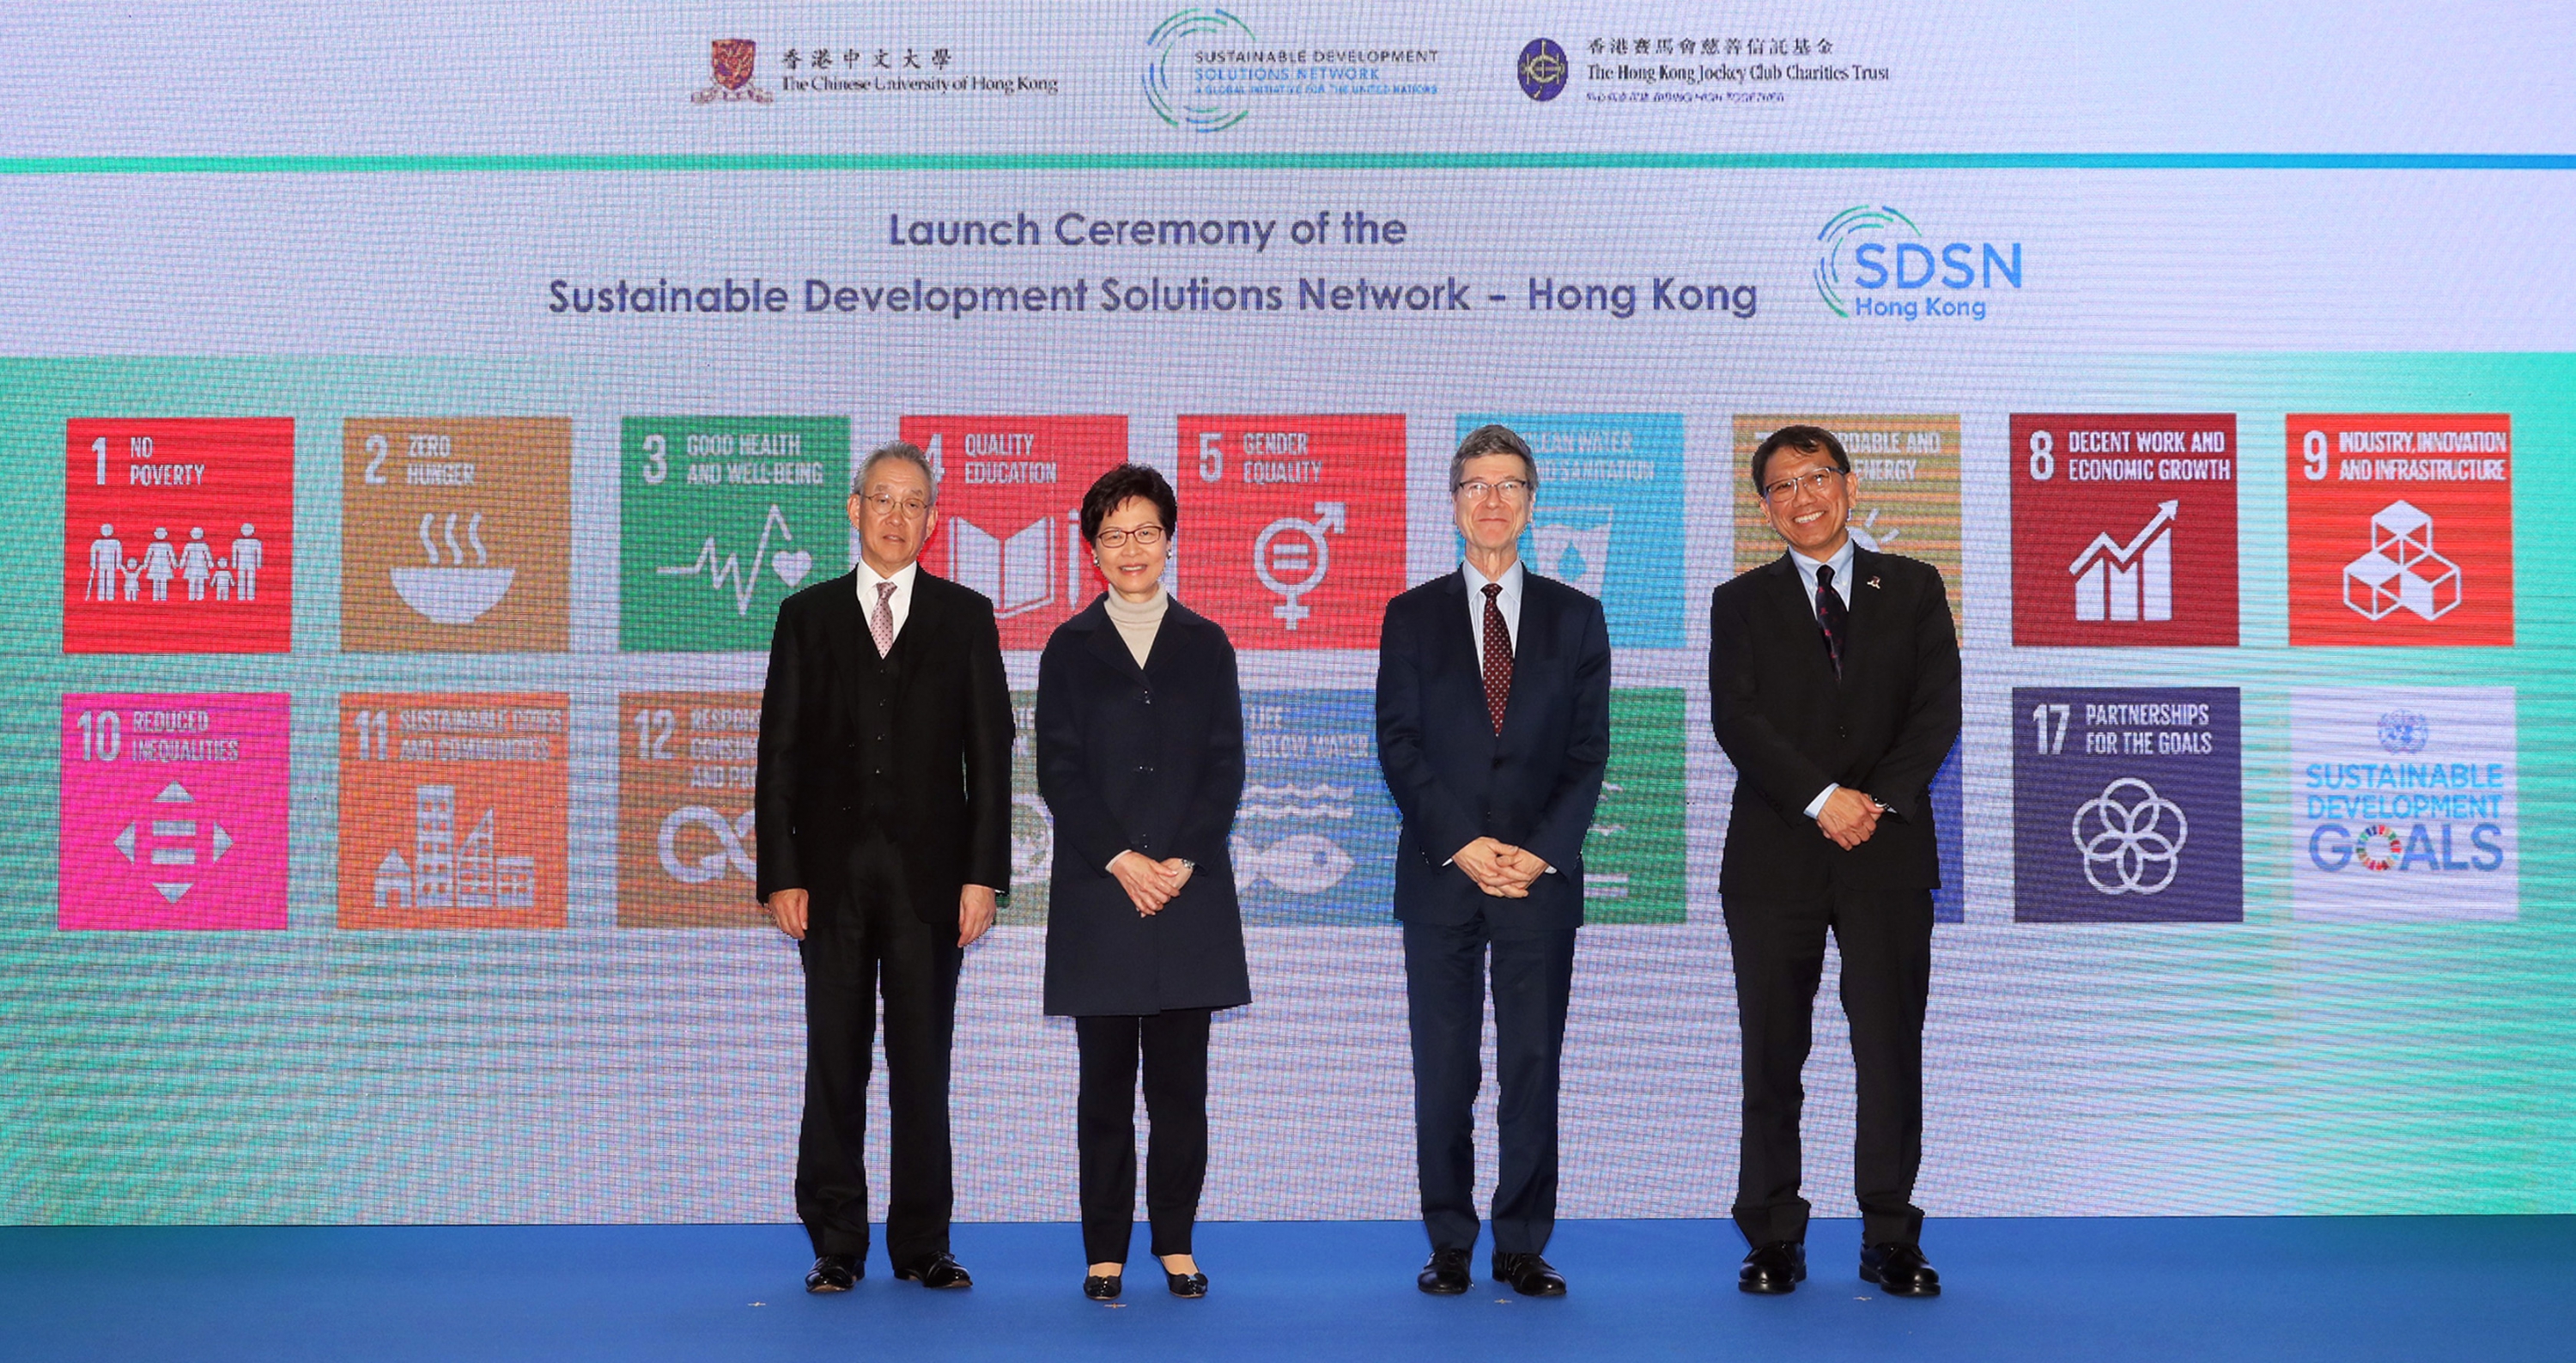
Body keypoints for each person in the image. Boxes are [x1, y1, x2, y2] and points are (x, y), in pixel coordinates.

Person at [1707, 424, 1961, 1299]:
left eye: (1815, 477)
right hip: (1774, 858)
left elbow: (1935, 715)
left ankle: (1891, 1236)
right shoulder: (1738, 603)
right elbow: (1739, 723)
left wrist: (1874, 802)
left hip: (1886, 854)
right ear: (1765, 507)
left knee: (1889, 1048)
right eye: (1780, 486)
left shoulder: (1917, 587)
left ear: (1848, 487)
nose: (1801, 497)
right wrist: (1822, 799)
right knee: (1772, 1053)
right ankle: (1772, 1235)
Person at [754, 440, 1013, 1295]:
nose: (896, 516)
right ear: (854, 509)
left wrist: (984, 875)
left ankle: (923, 1244)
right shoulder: (807, 617)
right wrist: (782, 873)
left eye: (913, 503)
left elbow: (992, 754)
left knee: (922, 1064)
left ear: (932, 523)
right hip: (824, 886)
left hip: (932, 885)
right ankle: (836, 1240)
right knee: (835, 1059)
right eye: (882, 499)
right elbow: (779, 755)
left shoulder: (968, 617)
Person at [1375, 423, 1611, 1299]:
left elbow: (1588, 753)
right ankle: (1448, 1242)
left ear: (1532, 503)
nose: (1493, 500)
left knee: (1531, 1067)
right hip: (1444, 872)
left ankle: (1520, 1242)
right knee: (1444, 1068)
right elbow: (1399, 743)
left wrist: (1540, 854)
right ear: (1453, 503)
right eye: (1476, 485)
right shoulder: (1410, 614)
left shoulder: (1577, 617)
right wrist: (1466, 845)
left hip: (1538, 882)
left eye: (1510, 485)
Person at [1035, 463, 1249, 1302]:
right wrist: (1122, 859)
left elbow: (1224, 766)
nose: (1132, 549)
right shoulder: (1069, 648)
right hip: (1102, 897)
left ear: (1170, 539)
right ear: (1092, 551)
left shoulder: (1206, 643)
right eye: (1114, 535)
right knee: (1103, 1094)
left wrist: (1183, 859)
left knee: (1181, 1094)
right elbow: (1058, 770)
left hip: (1188, 899)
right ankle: (1104, 1251)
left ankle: (1176, 1244)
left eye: (1147, 532)